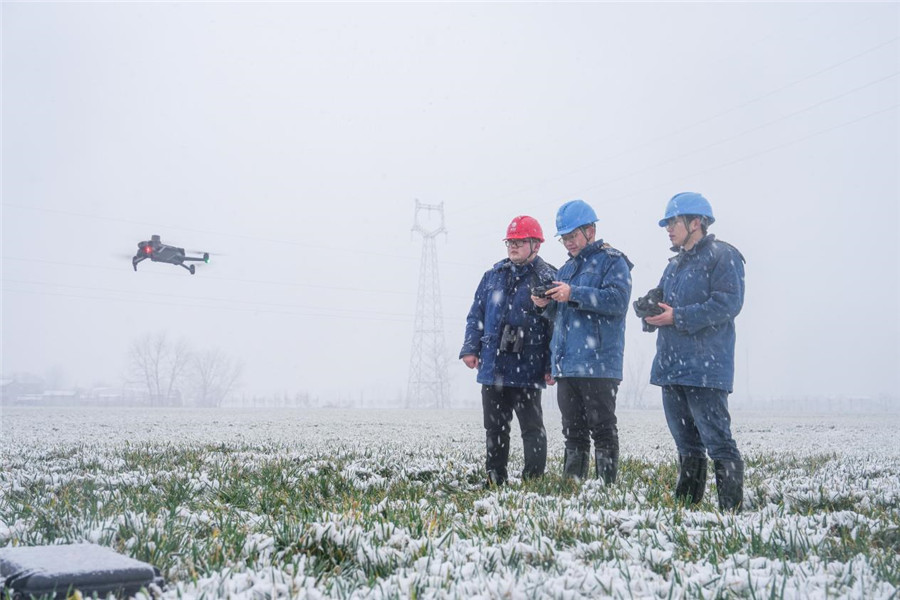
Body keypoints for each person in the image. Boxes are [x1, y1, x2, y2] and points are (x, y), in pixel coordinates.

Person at [641, 192, 746, 511]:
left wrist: (678, 316)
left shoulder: (723, 255)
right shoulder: (673, 266)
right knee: (686, 444)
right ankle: (686, 505)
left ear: (696, 222)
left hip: (705, 368)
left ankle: (731, 510)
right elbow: (665, 308)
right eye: (667, 224)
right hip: (671, 367)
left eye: (674, 222)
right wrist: (650, 313)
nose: (669, 229)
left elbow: (728, 303)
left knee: (717, 441)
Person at [532, 199, 633, 484]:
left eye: (572, 236)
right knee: (572, 430)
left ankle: (605, 486)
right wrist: (543, 304)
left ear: (591, 230)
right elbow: (558, 317)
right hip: (568, 364)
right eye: (564, 238)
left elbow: (617, 300)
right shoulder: (565, 270)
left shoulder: (613, 261)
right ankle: (572, 483)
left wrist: (574, 293)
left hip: (598, 362)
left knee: (602, 428)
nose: (568, 243)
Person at [460, 215, 558, 486]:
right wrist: (471, 348)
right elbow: (475, 315)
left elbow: (554, 326)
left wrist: (550, 365)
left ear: (536, 245)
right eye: (510, 242)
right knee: (494, 427)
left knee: (532, 428)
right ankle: (495, 477)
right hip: (493, 366)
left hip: (528, 367)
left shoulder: (549, 277)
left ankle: (533, 480)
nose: (513, 247)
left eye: (519, 242)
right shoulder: (492, 276)